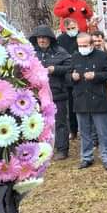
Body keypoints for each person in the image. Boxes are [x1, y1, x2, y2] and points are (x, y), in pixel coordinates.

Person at [67, 33, 107, 170]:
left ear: (92, 44)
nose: (82, 48)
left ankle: (106, 156)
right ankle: (86, 157)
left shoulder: (102, 56)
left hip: (98, 99)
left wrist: (96, 76)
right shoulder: (75, 56)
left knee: (103, 130)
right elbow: (67, 76)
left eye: (85, 45)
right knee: (84, 131)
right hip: (81, 99)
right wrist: (72, 77)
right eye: (80, 46)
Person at [29, 25, 72, 160]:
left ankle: (62, 149)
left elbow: (71, 65)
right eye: (39, 38)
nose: (42, 40)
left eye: (44, 38)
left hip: (57, 92)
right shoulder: (30, 53)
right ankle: (41, 149)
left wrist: (56, 69)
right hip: (36, 94)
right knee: (37, 123)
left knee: (60, 122)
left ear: (50, 39)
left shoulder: (60, 52)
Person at [57, 18, 80, 140]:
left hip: (81, 73)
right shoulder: (61, 40)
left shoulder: (82, 37)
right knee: (70, 106)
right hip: (67, 75)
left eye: (73, 27)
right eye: (69, 29)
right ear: (65, 29)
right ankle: (73, 130)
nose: (72, 30)